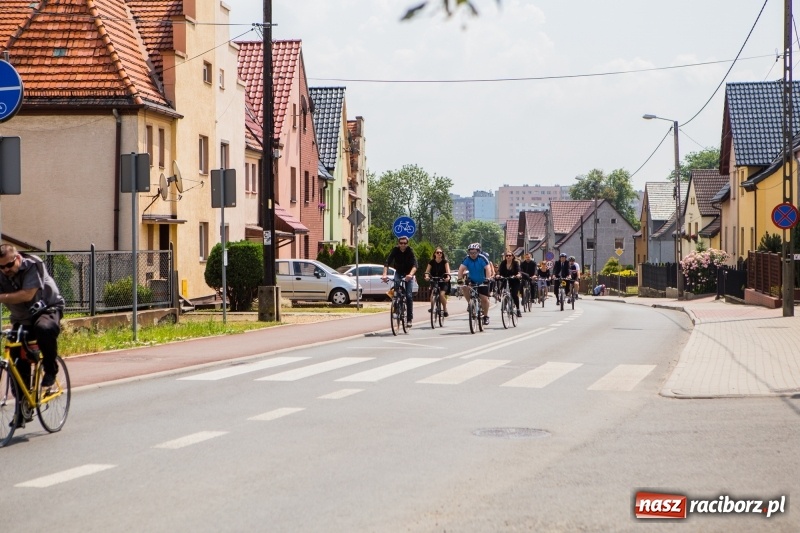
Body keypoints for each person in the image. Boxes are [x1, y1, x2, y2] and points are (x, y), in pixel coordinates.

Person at [0, 245, 65, 427]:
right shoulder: (2, 272)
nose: (6, 270)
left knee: (44, 329)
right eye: (1, 267)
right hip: (22, 318)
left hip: (47, 309)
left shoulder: (32, 265)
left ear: (18, 258)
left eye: (9, 265)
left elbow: (27, 294)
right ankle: (23, 409)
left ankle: (51, 369)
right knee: (16, 362)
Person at [382, 237, 418, 327]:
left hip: (408, 274)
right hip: (399, 272)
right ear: (398, 244)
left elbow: (415, 265)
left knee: (409, 296)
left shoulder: (410, 251)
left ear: (407, 244)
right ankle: (396, 309)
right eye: (401, 243)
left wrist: (410, 274)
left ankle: (409, 319)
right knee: (395, 292)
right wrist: (384, 274)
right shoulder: (395, 250)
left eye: (405, 243)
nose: (403, 245)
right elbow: (387, 263)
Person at [458, 243, 492, 325]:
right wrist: (460, 279)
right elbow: (461, 269)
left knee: (484, 299)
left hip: (482, 280)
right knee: (464, 287)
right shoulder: (466, 259)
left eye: (474, 253)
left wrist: (487, 279)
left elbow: (488, 268)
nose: (473, 255)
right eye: (471, 253)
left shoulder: (482, 258)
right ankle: (470, 304)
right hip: (472, 280)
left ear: (478, 252)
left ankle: (486, 316)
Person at [424, 247, 451, 317]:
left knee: (442, 295)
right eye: (437, 252)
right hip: (434, 280)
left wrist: (448, 277)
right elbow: (427, 271)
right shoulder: (431, 262)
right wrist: (427, 276)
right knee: (432, 294)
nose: (439, 254)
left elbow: (448, 271)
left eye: (440, 253)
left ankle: (445, 309)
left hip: (443, 280)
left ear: (442, 254)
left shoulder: (445, 262)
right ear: (435, 254)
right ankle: (432, 307)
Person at [497, 251, 522, 317]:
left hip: (514, 281)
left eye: (509, 255)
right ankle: (505, 302)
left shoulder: (515, 263)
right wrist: (498, 275)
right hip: (505, 280)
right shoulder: (503, 263)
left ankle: (518, 309)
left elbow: (518, 271)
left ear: (512, 257)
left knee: (514, 294)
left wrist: (518, 275)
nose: (508, 257)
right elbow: (499, 271)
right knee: (504, 292)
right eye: (507, 255)